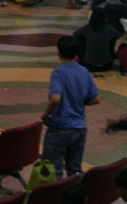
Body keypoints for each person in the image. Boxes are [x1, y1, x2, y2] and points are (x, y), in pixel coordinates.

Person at [41, 36, 100, 178]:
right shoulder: (84, 72)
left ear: (58, 53)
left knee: (52, 170)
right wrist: (78, 101)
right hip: (79, 127)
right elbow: (95, 99)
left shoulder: (58, 73)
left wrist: (46, 114)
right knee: (75, 169)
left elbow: (55, 99)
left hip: (60, 127)